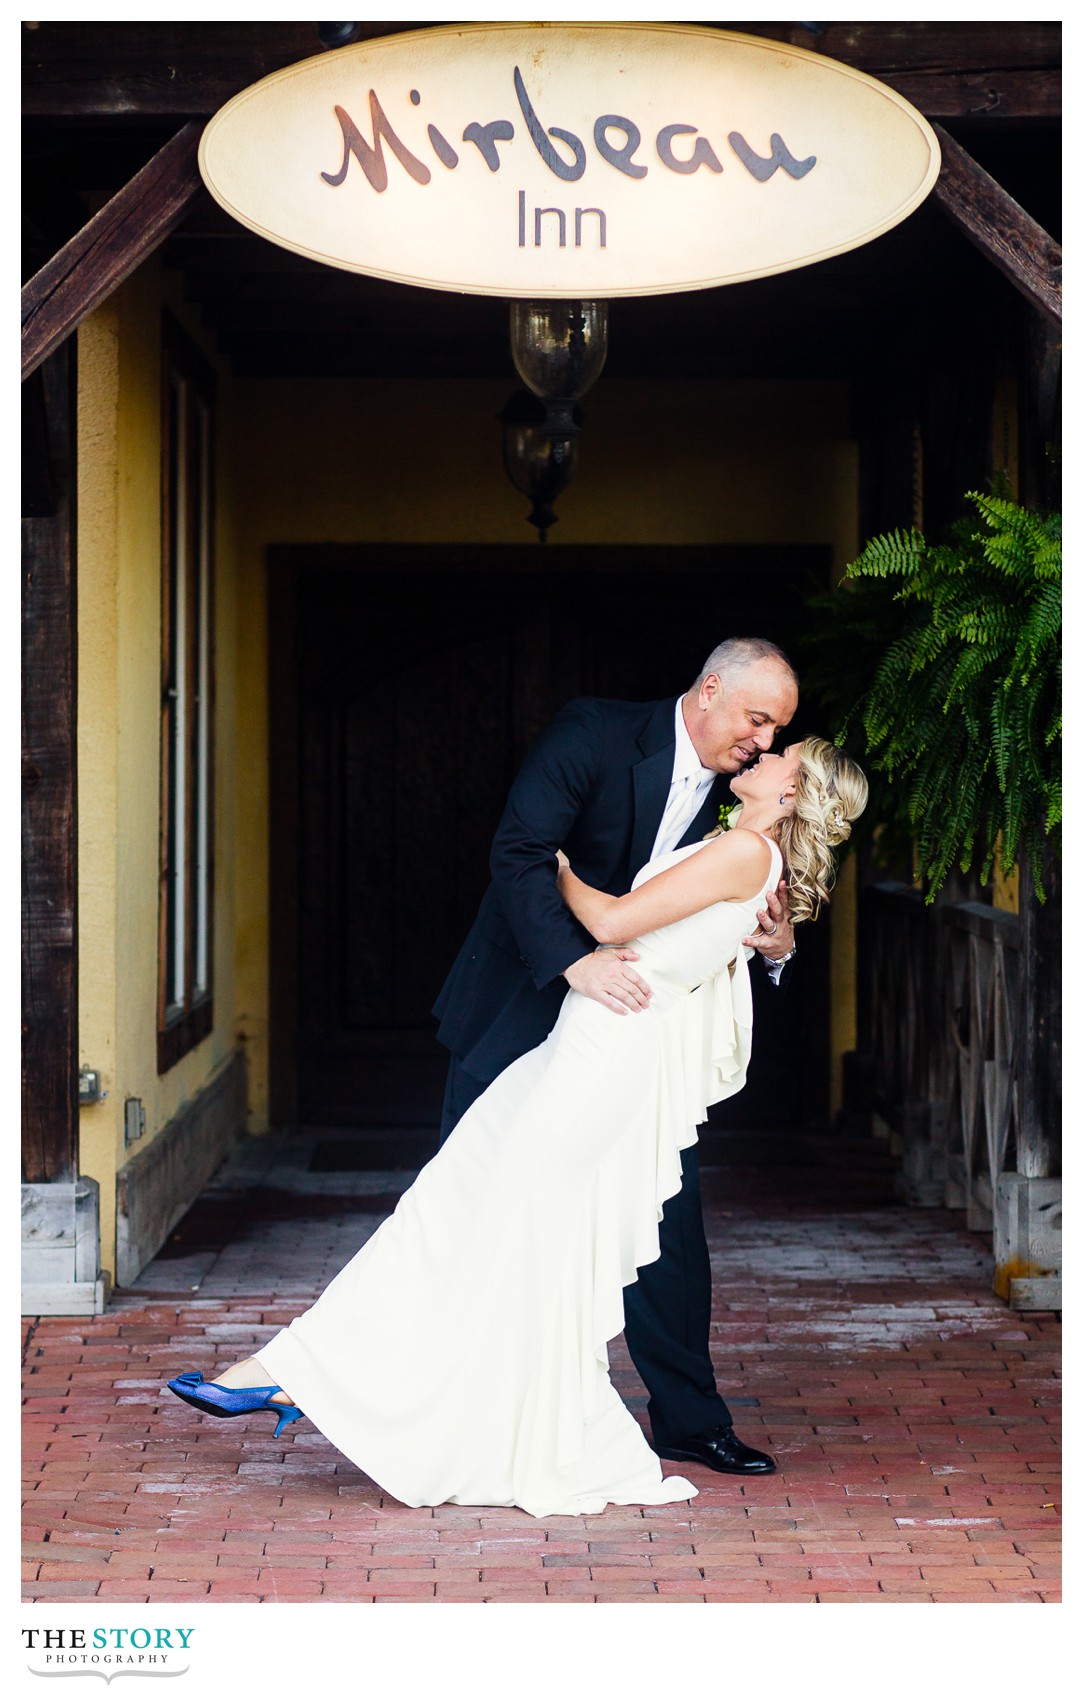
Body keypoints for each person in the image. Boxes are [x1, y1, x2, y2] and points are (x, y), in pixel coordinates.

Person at [168, 734, 868, 1520]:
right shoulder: (738, 846)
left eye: (783, 751)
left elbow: (611, 922)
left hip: (603, 1056)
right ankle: (305, 1371)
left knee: (502, 1235)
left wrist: (557, 868)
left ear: (793, 787)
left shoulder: (743, 850)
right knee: (449, 1209)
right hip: (575, 1045)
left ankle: (409, 1405)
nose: (764, 750)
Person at [433, 637, 800, 1476]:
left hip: (643, 1044)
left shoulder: (747, 806)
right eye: (755, 720)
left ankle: (687, 1419)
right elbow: (521, 852)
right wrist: (575, 962)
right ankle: (460, 1405)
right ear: (709, 690)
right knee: (473, 1205)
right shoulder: (593, 734)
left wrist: (776, 946)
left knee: (667, 1223)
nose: (764, 744)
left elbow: (739, 919)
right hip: (522, 1004)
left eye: (776, 731)